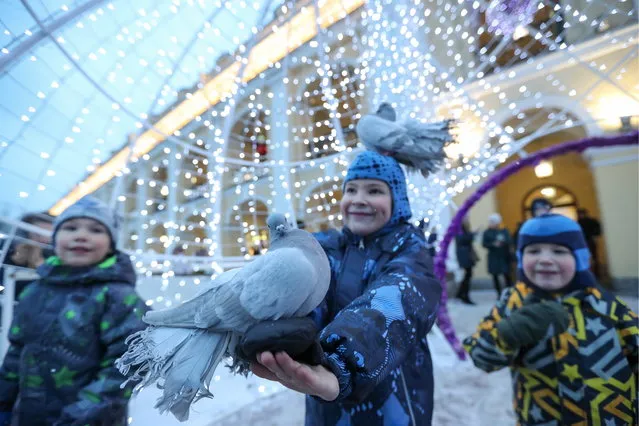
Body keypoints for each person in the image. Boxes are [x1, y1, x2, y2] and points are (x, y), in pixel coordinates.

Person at [247, 149, 443, 425]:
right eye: (351, 190)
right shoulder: (325, 250)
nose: (359, 200)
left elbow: (396, 299)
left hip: (393, 403)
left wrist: (341, 361)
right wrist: (287, 334)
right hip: (327, 404)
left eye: (374, 191)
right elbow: (311, 300)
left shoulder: (410, 250)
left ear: (396, 201)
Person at [464, 214, 637, 425]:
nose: (545, 259)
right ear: (520, 258)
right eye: (533, 251)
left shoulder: (607, 306)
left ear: (580, 259)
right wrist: (506, 333)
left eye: (559, 251)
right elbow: (481, 357)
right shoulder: (513, 303)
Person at [0, 196, 148, 425]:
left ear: (110, 244)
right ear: (55, 239)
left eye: (96, 230)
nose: (81, 235)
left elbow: (124, 367)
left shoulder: (119, 298)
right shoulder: (35, 291)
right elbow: (16, 352)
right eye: (70, 228)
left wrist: (82, 415)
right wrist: (3, 404)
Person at [482, 213, 513, 296]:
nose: (491, 223)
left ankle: (509, 293)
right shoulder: (487, 232)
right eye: (490, 221)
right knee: (495, 276)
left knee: (506, 275)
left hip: (503, 256)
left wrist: (502, 243)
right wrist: (493, 244)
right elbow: (484, 244)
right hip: (493, 257)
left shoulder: (504, 231)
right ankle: (499, 294)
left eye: (493, 221)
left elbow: (509, 241)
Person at [455, 221, 479, 305]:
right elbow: (463, 239)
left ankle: (460, 294)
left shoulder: (462, 228)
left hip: (466, 255)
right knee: (467, 277)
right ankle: (464, 296)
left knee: (467, 276)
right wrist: (473, 233)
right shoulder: (459, 228)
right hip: (464, 256)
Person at [577, 208, 602, 278]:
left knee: (594, 258)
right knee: (586, 258)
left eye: (582, 214)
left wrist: (594, 236)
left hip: (589, 241)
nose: (581, 215)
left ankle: (597, 274)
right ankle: (590, 274)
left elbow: (597, 231)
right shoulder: (578, 222)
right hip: (583, 242)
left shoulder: (591, 221)